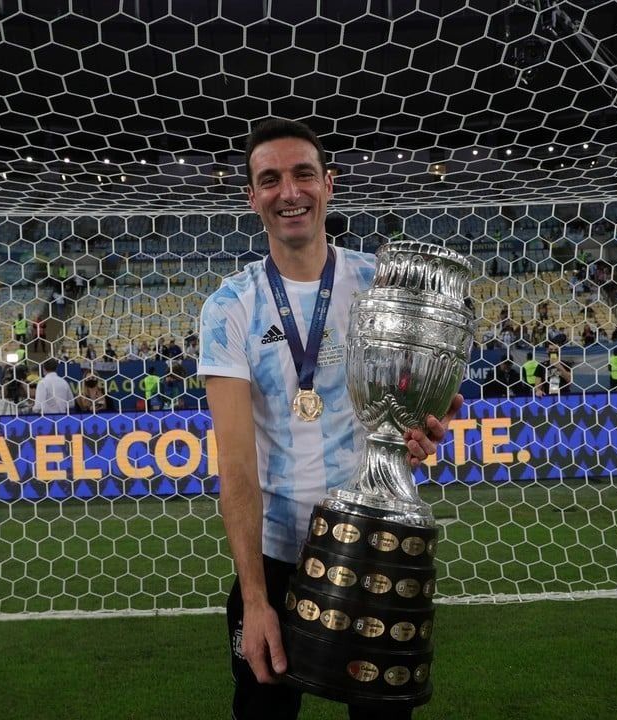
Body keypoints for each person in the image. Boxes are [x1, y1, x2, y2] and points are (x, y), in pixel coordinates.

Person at [198, 118, 461, 720]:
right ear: (252, 197)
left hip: (377, 547)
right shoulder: (229, 307)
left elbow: (422, 407)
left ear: (329, 184)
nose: (289, 192)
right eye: (270, 180)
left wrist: (425, 423)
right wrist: (257, 602)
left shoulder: (379, 285)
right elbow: (236, 468)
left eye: (303, 175)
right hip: (276, 558)